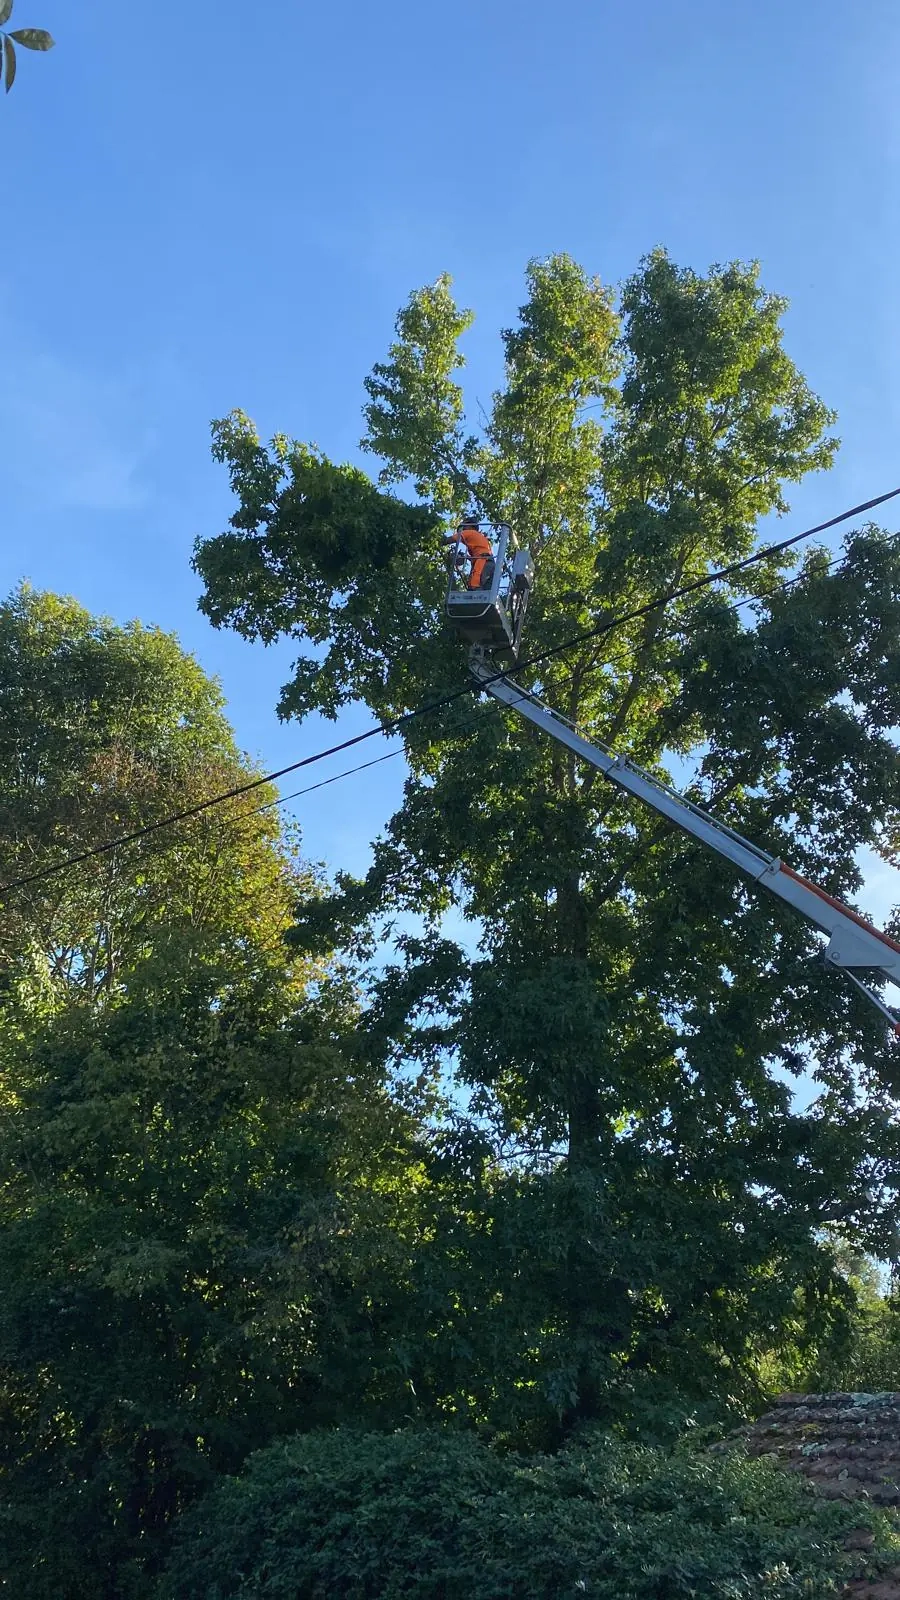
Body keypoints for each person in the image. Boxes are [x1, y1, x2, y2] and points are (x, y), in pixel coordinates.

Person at [444, 518, 495, 590]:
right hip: (488, 562)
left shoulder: (469, 532)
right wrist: (466, 557)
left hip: (483, 561)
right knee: (485, 588)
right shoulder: (480, 538)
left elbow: (450, 540)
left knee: (474, 586)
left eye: (464, 527)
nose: (463, 529)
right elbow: (478, 554)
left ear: (470, 526)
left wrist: (438, 540)